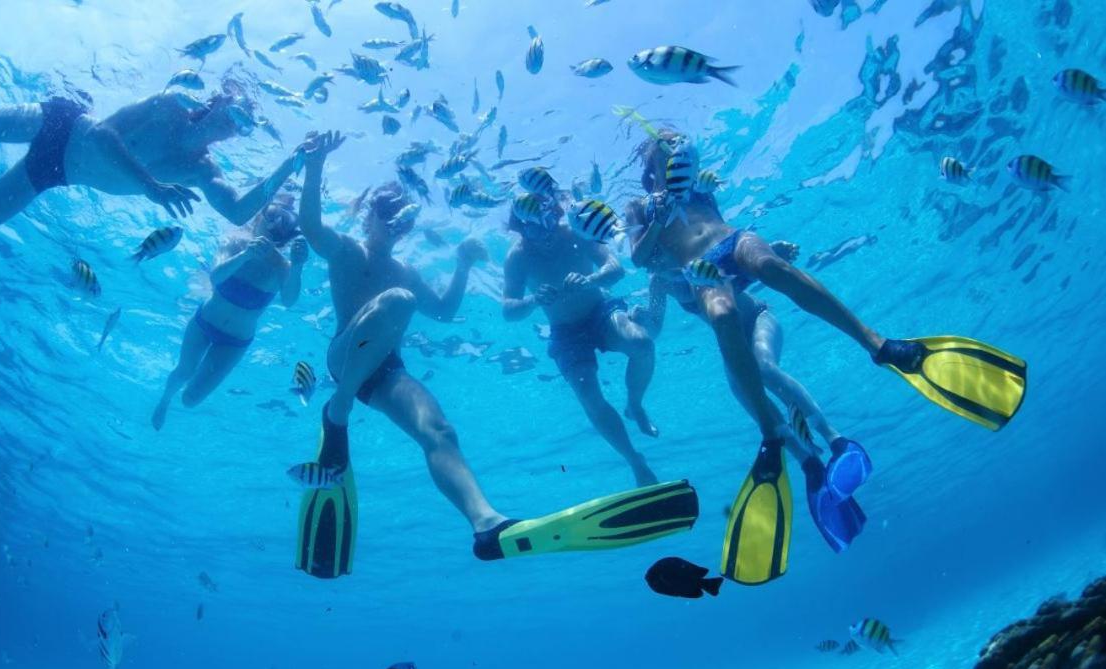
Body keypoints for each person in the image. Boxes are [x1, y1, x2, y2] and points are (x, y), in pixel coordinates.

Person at [626, 128, 1026, 585]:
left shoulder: (691, 177)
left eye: (667, 144)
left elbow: (698, 163)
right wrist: (655, 233)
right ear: (646, 166)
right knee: (720, 316)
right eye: (657, 148)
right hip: (707, 275)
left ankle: (877, 346)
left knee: (773, 268)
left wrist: (680, 152)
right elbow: (639, 259)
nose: (664, 148)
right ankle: (792, 446)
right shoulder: (641, 209)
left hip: (732, 241)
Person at [292, 132, 700, 578]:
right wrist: (314, 165)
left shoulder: (405, 269)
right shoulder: (346, 251)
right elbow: (311, 226)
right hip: (344, 358)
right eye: (386, 215)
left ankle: (485, 524)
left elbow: (445, 312)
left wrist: (464, 265)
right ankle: (339, 409)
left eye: (402, 220)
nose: (394, 225)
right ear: (368, 214)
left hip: (386, 369)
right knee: (399, 300)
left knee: (440, 430)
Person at [0, 60, 298, 271]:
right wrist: (149, 185)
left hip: (59, 173)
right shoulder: (170, 105)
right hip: (61, 125)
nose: (232, 124)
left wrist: (290, 165)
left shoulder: (203, 170)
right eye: (233, 110)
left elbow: (239, 211)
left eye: (244, 124)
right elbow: (100, 135)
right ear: (217, 99)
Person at [630, 244, 867, 555]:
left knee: (764, 368)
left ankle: (834, 440)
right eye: (650, 261)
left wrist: (774, 251)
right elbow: (655, 327)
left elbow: (741, 264)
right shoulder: (658, 282)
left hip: (759, 319)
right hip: (734, 347)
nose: (656, 263)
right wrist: (642, 318)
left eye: (657, 254)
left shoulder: (691, 257)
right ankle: (810, 465)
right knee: (746, 395)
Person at [501, 189, 659, 487]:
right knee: (589, 396)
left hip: (600, 310)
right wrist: (534, 300)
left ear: (556, 215)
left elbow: (616, 269)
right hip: (564, 332)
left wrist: (591, 280)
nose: (543, 232)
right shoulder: (518, 257)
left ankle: (635, 404)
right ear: (520, 226)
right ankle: (634, 460)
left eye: (547, 221)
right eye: (532, 226)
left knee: (641, 344)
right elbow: (508, 310)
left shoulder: (576, 232)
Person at [151, 190, 307, 431]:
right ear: (258, 217)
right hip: (203, 322)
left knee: (191, 400)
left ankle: (187, 388)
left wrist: (297, 267)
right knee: (184, 372)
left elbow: (288, 301)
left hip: (235, 341)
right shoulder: (235, 242)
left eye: (286, 223)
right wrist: (245, 255)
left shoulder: (282, 266)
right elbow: (215, 277)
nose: (277, 225)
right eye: (273, 215)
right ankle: (164, 401)